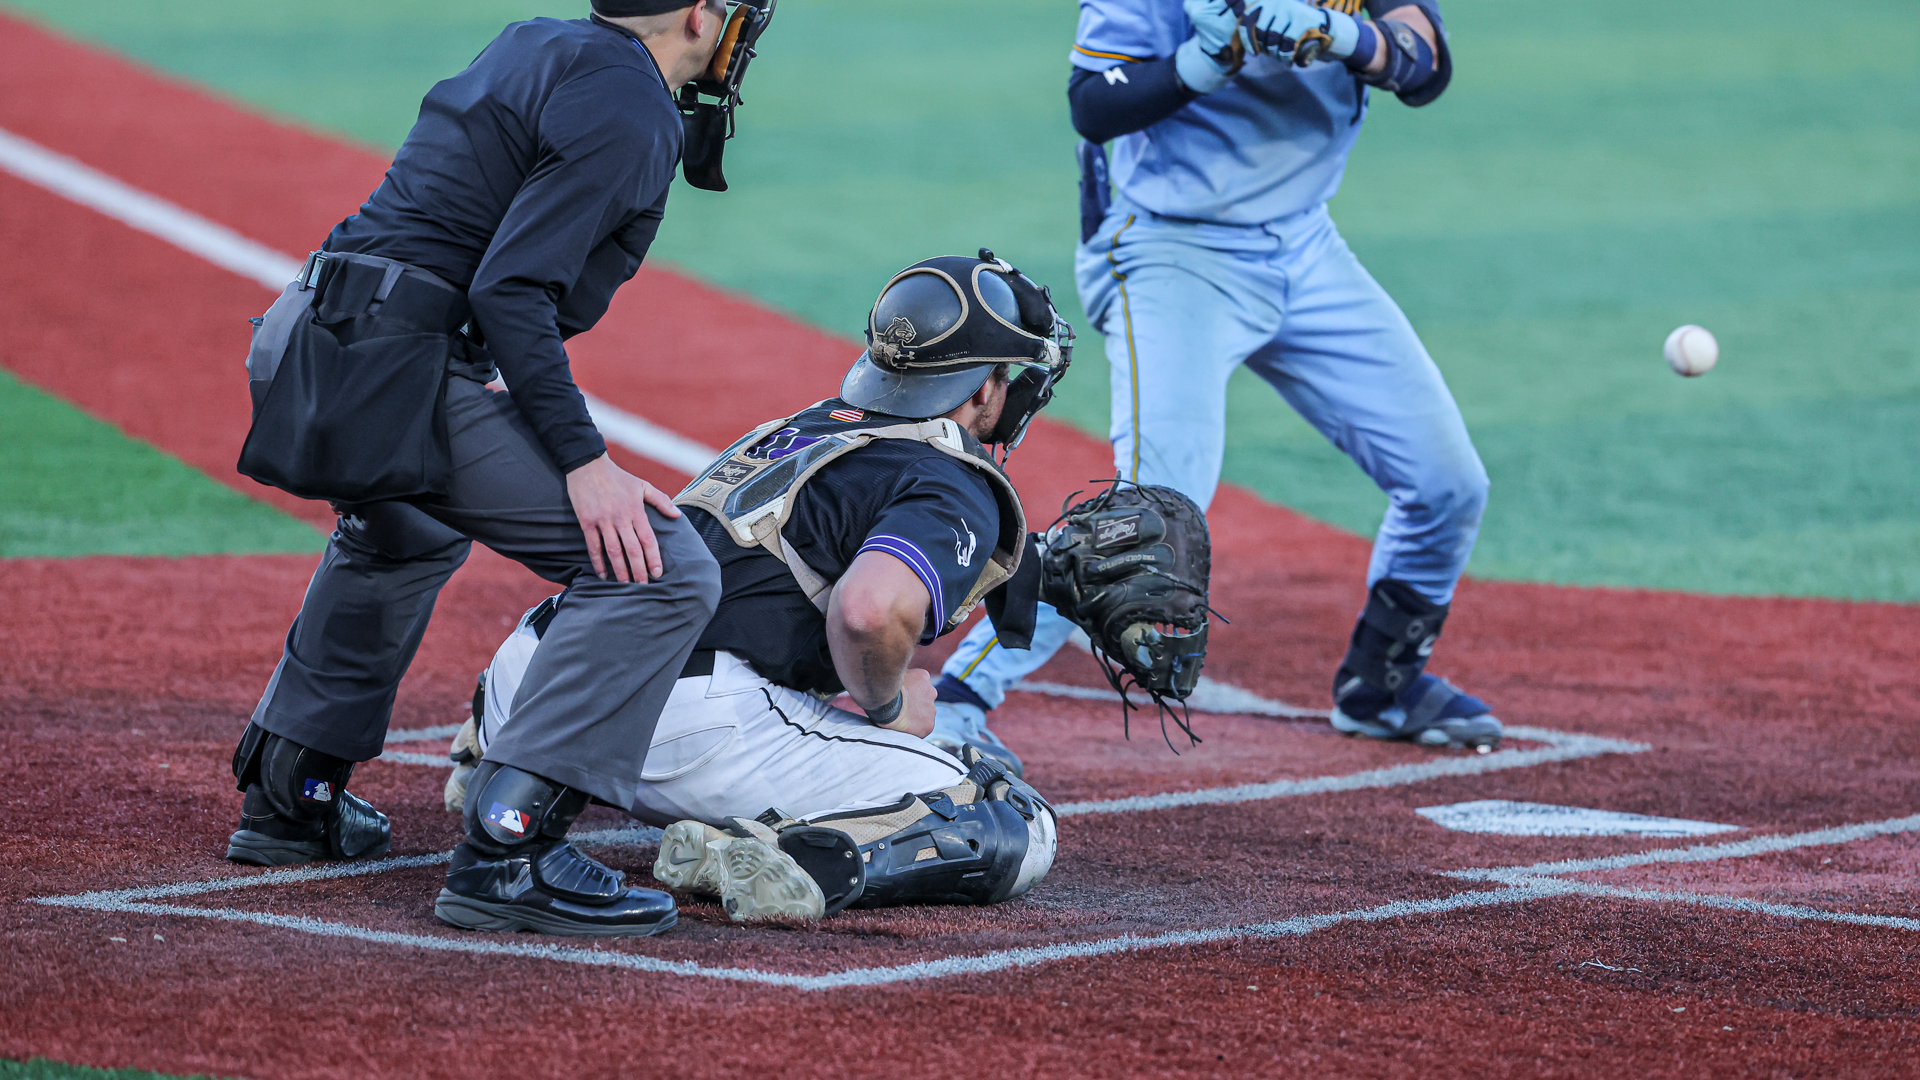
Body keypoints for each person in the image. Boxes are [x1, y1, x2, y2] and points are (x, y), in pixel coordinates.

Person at [225, 0, 764, 939]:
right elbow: (510, 291)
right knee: (663, 573)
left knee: (409, 525)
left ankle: (293, 791)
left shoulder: (535, 39)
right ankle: (512, 851)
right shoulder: (633, 106)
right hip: (394, 367)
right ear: (701, 13)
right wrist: (583, 459)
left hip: (304, 331)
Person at [929, 0, 1502, 772]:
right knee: (1152, 518)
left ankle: (1381, 684)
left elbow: (1426, 62)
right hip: (1171, 248)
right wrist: (1205, 62)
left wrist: (1346, 37)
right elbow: (1094, 104)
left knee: (1448, 484)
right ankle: (960, 702)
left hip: (1305, 240)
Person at [444, 252, 1072, 924]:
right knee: (1001, 812)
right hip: (675, 727)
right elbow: (868, 611)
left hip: (538, 677)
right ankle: (794, 857)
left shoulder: (802, 428)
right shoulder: (952, 476)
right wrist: (891, 707)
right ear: (983, 389)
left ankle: (491, 752)